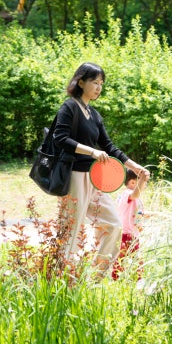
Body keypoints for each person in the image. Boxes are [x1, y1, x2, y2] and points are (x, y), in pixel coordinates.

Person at [52, 62, 150, 278]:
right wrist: (91, 152)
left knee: (114, 224)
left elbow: (109, 146)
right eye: (94, 82)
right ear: (80, 82)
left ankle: (93, 278)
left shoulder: (94, 115)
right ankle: (64, 282)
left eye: (101, 84)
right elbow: (60, 138)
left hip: (95, 179)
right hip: (74, 177)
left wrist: (134, 166)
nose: (98, 87)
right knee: (72, 230)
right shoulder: (69, 107)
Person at [111, 168, 148, 280]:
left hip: (132, 234)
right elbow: (135, 194)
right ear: (132, 182)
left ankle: (117, 279)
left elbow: (137, 213)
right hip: (127, 234)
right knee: (136, 260)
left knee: (123, 259)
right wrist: (142, 178)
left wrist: (154, 214)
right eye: (142, 182)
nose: (145, 185)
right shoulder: (127, 194)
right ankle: (138, 281)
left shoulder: (133, 198)